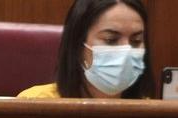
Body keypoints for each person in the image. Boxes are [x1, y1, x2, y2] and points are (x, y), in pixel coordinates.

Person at [19, 0, 154, 100]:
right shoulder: (36, 102)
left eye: (136, 41)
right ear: (78, 46)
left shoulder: (151, 113)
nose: (127, 50)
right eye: (111, 40)